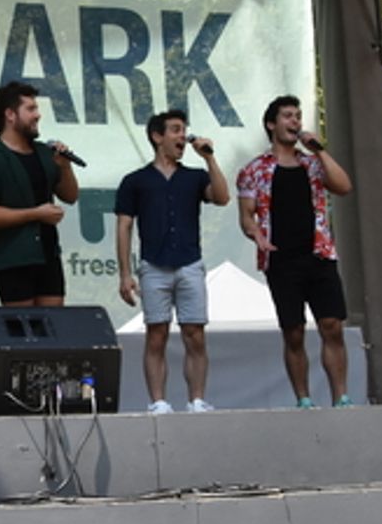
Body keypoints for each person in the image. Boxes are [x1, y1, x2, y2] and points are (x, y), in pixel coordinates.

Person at [236, 95, 354, 409]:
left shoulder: (313, 163)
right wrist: (256, 234)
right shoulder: (254, 170)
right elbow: (246, 214)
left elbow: (344, 186)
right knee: (294, 331)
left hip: (319, 253)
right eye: (288, 116)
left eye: (298, 116)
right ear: (272, 124)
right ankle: (303, 398)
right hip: (281, 258)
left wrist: (319, 149)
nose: (295, 121)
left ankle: (341, 396)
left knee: (332, 325)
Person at [115, 110, 230, 414]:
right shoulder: (135, 181)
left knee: (195, 333)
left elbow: (221, 197)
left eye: (184, 130)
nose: (182, 137)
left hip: (190, 263)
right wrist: (125, 274)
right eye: (176, 130)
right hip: (153, 266)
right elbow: (124, 226)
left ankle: (197, 399)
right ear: (157, 136)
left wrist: (209, 159)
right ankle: (158, 402)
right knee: (157, 333)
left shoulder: (194, 176)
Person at [0, 82, 79, 306]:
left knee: (54, 327)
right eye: (30, 109)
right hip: (12, 258)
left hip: (48, 254)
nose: (37, 115)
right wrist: (36, 214)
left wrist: (65, 166)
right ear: (10, 115)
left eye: (36, 109)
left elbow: (70, 196)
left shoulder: (44, 152)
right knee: (23, 331)